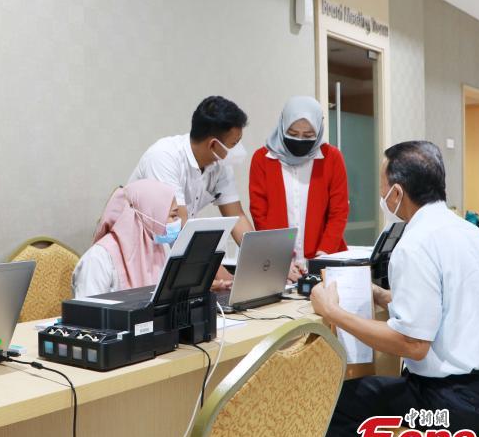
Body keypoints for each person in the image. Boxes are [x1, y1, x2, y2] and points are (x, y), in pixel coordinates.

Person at [310, 141, 479, 437]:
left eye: (382, 185)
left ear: (397, 192)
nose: (381, 194)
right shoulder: (469, 231)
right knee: (421, 384)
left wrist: (332, 312)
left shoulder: (414, 245)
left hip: (461, 409)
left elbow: (412, 345)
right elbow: (456, 305)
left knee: (338, 406)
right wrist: (384, 296)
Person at [128, 96, 253, 288]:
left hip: (180, 255)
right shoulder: (164, 157)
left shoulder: (220, 164)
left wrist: (262, 263)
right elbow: (182, 228)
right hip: (143, 254)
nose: (237, 150)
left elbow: (237, 216)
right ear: (213, 144)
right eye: (234, 144)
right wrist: (226, 277)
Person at [249, 96, 348, 282]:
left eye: (308, 135)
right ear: (282, 125)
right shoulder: (262, 159)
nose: (300, 139)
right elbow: (259, 213)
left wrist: (322, 255)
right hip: (279, 264)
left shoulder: (332, 158)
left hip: (325, 259)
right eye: (293, 133)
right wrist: (279, 257)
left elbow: (339, 212)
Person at [72, 179, 179, 298]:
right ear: (149, 216)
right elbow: (87, 308)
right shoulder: (97, 259)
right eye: (173, 215)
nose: (177, 221)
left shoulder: (161, 247)